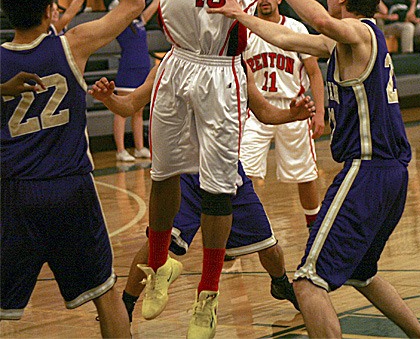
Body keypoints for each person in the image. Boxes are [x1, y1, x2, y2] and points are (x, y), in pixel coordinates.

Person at [208, 0, 420, 339]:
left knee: (307, 282)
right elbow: (287, 39)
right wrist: (240, 15)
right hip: (391, 174)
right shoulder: (347, 41)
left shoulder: (359, 33)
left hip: (369, 169)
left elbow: (323, 23)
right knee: (363, 274)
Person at [145, 0, 283, 338]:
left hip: (222, 70)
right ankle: (160, 267)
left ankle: (207, 296)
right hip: (178, 65)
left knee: (219, 187)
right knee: (162, 174)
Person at [0, 0, 145, 337]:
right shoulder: (71, 44)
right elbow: (133, 2)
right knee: (104, 295)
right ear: (51, 10)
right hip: (70, 190)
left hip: (12, 194)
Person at [88, 66, 316, 322]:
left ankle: (280, 283)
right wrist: (108, 98)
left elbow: (263, 111)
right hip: (184, 171)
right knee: (156, 242)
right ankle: (127, 304)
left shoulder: (239, 67)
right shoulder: (171, 65)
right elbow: (129, 104)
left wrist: (291, 115)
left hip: (226, 169)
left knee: (269, 247)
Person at [241, 0, 325, 229]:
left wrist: (319, 112)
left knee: (305, 173)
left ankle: (315, 226)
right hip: (256, 109)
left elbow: (314, 73)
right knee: (243, 172)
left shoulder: (296, 28)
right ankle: (244, 229)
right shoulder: (245, 29)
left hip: (295, 108)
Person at [113, 1, 159, 162]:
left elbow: (154, 5)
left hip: (143, 70)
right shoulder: (120, 24)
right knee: (122, 111)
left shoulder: (140, 21)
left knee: (139, 111)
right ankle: (120, 150)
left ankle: (139, 147)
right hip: (128, 70)